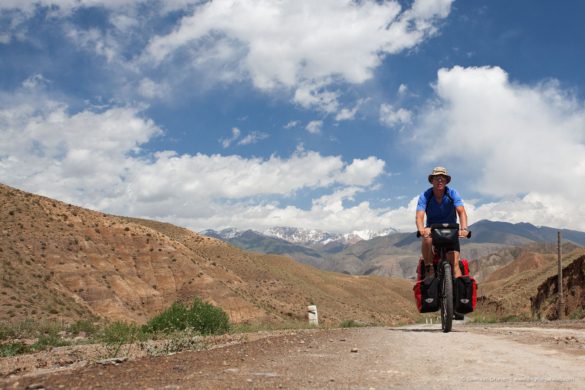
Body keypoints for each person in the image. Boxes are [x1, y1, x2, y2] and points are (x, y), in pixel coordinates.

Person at [415, 166, 469, 280]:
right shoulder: (425, 196)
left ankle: (458, 294)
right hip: (432, 229)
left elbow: (461, 212)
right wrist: (421, 229)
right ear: (432, 180)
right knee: (427, 238)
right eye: (437, 178)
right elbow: (419, 216)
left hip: (451, 230)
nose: (440, 180)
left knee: (454, 266)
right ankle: (429, 268)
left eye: (442, 178)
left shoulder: (452, 193)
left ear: (446, 181)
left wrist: (464, 229)